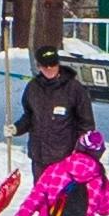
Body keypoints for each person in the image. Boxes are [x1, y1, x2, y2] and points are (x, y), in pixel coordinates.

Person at [17, 46, 98, 179]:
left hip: (65, 158)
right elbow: (30, 116)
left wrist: (81, 153)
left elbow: (86, 124)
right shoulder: (33, 88)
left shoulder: (74, 89)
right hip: (39, 157)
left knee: (63, 198)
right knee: (41, 197)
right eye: (45, 65)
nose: (50, 69)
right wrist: (16, 128)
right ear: (38, 66)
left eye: (53, 64)